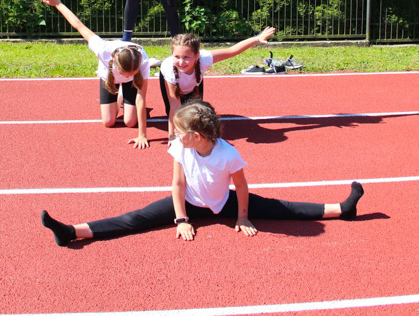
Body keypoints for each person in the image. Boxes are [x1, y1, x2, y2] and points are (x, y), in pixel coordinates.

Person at [41, 101, 364, 246]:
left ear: (198, 134)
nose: (174, 134)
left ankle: (341, 209)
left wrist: (242, 216)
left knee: (282, 208)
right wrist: (181, 218)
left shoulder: (227, 153)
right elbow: (177, 183)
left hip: (224, 203)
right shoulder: (181, 147)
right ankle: (72, 231)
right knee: (136, 219)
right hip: (191, 203)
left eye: (179, 130)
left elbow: (242, 186)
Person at [39, 0, 156, 149]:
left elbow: (141, 97)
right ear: (115, 64)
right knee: (108, 122)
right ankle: (118, 96)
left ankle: (121, 95)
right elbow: (79, 25)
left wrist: (142, 135)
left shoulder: (142, 59)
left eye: (132, 73)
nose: (128, 75)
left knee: (130, 122)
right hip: (108, 79)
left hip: (132, 81)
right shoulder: (103, 49)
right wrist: (58, 3)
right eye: (125, 73)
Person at [160, 27, 277, 141]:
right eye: (177, 56)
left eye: (186, 57)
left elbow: (232, 51)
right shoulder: (169, 68)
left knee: (194, 115)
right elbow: (174, 106)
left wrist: (257, 39)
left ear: (196, 56)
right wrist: (172, 137)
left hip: (194, 84)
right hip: (175, 87)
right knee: (179, 115)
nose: (181, 62)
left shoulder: (204, 59)